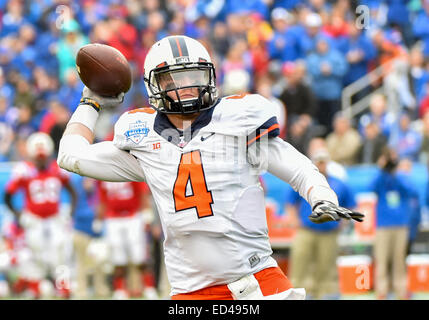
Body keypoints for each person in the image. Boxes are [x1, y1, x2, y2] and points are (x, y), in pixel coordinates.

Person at [57, 35, 364, 300]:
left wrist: (322, 196)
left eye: (193, 76)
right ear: (154, 85)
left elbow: (296, 166)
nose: (186, 86)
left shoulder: (238, 120)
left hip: (255, 284)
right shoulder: (144, 138)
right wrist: (91, 100)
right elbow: (71, 155)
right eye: (174, 80)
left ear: (210, 76)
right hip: (188, 292)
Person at [4, 132, 77, 298]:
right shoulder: (24, 171)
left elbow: (72, 191)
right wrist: (18, 215)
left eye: (43, 157)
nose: (40, 160)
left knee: (60, 253)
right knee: (34, 253)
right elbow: (8, 195)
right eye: (38, 157)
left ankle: (63, 286)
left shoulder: (56, 169)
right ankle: (35, 287)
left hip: (54, 219)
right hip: (34, 220)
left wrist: (70, 212)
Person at [286, 145, 356, 299]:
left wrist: (343, 222)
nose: (321, 165)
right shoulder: (304, 180)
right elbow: (290, 202)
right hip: (306, 230)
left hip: (329, 233)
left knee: (327, 269)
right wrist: (294, 219)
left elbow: (350, 204)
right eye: (318, 161)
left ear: (328, 163)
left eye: (323, 162)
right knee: (300, 267)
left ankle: (325, 296)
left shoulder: (339, 184)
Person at [96, 180, 156, 299]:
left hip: (133, 216)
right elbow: (102, 198)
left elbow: (143, 192)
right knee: (117, 257)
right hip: (113, 218)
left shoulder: (128, 166)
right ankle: (120, 289)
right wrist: (99, 218)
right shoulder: (102, 173)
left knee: (140, 255)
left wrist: (146, 211)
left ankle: (149, 287)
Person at [371, 147, 417, 300]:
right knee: (382, 260)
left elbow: (410, 190)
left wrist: (395, 173)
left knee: (399, 260)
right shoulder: (381, 177)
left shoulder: (402, 176)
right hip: (383, 225)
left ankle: (401, 291)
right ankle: (382, 292)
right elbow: (372, 187)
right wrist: (382, 169)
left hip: (400, 224)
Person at [71, 175, 110, 299]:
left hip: (96, 229)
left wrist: (100, 219)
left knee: (99, 261)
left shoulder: (98, 179)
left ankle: (101, 290)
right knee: (81, 262)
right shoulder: (75, 180)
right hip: (81, 227)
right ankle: (81, 291)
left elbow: (102, 202)